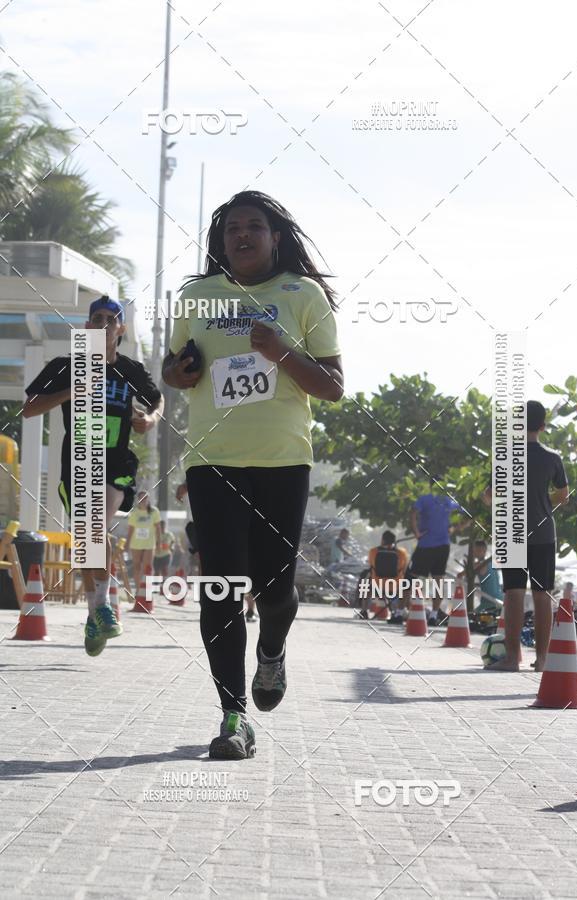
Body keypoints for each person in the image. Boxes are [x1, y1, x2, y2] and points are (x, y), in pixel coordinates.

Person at [162, 189, 343, 759]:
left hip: (282, 460)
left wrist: (282, 353)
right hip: (212, 460)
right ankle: (233, 717)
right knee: (220, 588)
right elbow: (173, 369)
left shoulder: (303, 294)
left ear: (275, 238)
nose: (241, 235)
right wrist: (180, 371)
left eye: (253, 226)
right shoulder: (197, 297)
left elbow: (333, 386)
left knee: (275, 588)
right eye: (232, 228)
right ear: (221, 242)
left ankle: (272, 652)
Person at [23, 296, 163, 656]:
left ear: (121, 329)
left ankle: (102, 606)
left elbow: (156, 399)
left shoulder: (130, 369)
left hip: (117, 463)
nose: (103, 323)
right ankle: (94, 613)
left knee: (95, 524)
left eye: (110, 319)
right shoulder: (66, 366)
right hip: (79, 462)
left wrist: (150, 419)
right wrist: (72, 390)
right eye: (97, 318)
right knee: (87, 535)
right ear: (87, 327)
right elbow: (29, 409)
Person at [483, 400, 568, 671]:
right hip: (544, 533)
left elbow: (490, 496)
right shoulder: (553, 458)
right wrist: (542, 502)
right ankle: (542, 660)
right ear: (543, 426)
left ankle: (512, 659)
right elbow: (563, 496)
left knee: (513, 594)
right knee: (542, 595)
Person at [408, 476, 463, 626]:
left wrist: (416, 532)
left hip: (427, 545)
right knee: (438, 580)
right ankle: (432, 615)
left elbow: (412, 513)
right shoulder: (446, 501)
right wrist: (456, 528)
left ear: (431, 485)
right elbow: (468, 514)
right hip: (440, 546)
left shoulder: (428, 499)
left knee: (412, 577)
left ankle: (400, 612)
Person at [360, 530, 409, 622]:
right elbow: (405, 570)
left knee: (365, 584)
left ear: (382, 540)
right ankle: (401, 612)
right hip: (395, 587)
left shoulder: (373, 551)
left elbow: (371, 566)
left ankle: (364, 611)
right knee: (408, 586)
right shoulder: (402, 553)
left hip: (377, 586)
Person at [125, 492, 161, 589]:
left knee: (147, 567)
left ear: (148, 499)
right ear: (138, 500)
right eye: (141, 498)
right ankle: (138, 589)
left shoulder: (154, 511)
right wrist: (127, 544)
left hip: (149, 544)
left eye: (145, 498)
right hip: (136, 544)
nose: (143, 500)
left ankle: (147, 589)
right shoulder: (134, 512)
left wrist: (159, 543)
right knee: (137, 567)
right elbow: (130, 530)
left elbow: (158, 528)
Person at [457, 540, 503, 614]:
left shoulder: (480, 565)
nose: (473, 553)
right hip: (500, 598)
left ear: (482, 551)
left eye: (475, 551)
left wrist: (470, 561)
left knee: (470, 616)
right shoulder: (491, 563)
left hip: (489, 602)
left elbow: (460, 575)